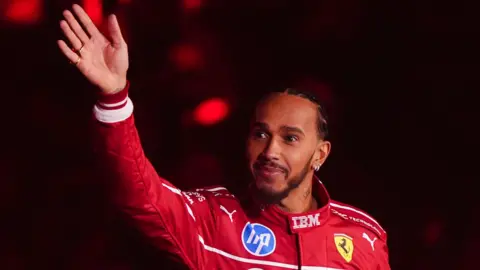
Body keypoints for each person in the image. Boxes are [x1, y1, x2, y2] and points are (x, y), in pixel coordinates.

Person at [58, 4, 390, 269]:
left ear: (320, 154)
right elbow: (140, 195)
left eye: (290, 138)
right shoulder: (215, 220)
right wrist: (114, 96)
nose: (270, 150)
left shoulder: (363, 237)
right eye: (261, 133)